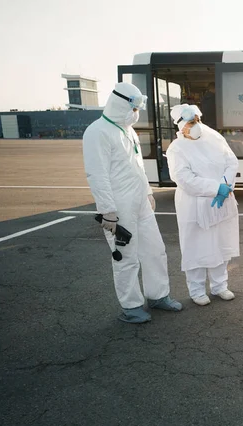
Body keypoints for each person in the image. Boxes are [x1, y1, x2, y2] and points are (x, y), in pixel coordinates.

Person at [83, 82, 182, 323]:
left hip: (139, 202)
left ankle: (158, 295)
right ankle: (131, 306)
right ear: (119, 103)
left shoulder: (127, 130)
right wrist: (107, 211)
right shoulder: (97, 132)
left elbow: (137, 165)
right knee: (126, 257)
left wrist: (148, 192)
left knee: (155, 250)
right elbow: (98, 175)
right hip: (119, 207)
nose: (136, 113)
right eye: (134, 107)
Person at [166, 104, 240, 306]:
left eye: (197, 120)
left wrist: (225, 185)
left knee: (220, 243)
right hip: (194, 205)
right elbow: (183, 178)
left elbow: (232, 162)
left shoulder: (214, 139)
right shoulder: (177, 148)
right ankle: (197, 290)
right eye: (191, 122)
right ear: (181, 126)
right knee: (196, 246)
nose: (197, 125)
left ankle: (219, 286)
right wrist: (216, 188)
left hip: (221, 201)